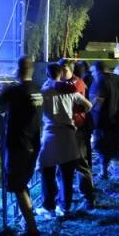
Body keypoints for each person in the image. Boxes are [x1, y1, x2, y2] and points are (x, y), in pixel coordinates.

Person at [37, 63, 92, 217]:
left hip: (51, 135)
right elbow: (88, 105)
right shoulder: (70, 90)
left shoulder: (44, 91)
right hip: (68, 134)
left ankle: (49, 206)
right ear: (61, 74)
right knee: (66, 173)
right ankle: (65, 207)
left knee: (47, 171)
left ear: (47, 75)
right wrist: (74, 112)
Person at [0, 56, 43, 236]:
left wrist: (0, 91)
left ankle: (32, 229)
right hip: (33, 143)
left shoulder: (15, 91)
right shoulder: (37, 89)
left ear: (17, 70)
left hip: (18, 145)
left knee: (18, 186)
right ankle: (28, 223)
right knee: (22, 183)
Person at [58, 59, 95, 210]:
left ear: (71, 70)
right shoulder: (63, 83)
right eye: (60, 70)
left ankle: (87, 198)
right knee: (65, 169)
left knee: (80, 165)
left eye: (64, 70)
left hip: (76, 131)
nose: (61, 73)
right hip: (65, 131)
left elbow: (84, 105)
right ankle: (65, 202)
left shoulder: (76, 84)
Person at [89, 61, 119, 179]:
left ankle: (103, 172)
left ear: (98, 70)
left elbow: (98, 100)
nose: (92, 74)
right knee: (113, 143)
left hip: (103, 119)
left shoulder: (100, 80)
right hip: (117, 117)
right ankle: (112, 167)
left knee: (102, 145)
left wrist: (89, 110)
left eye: (92, 71)